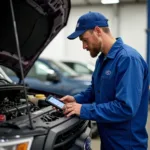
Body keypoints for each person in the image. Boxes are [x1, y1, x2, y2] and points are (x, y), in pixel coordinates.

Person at [61, 11, 149, 150]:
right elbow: (95, 90)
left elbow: (125, 108)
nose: (84, 46)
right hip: (108, 142)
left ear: (97, 31)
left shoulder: (128, 59)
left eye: (84, 40)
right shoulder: (102, 60)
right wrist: (75, 100)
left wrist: (84, 110)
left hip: (126, 145)